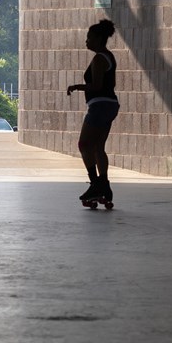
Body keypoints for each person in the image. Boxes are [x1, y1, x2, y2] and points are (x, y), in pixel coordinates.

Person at [66, 19, 119, 208]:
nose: (86, 42)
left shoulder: (98, 59)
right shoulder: (109, 56)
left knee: (84, 144)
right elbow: (109, 84)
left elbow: (96, 85)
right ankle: (104, 185)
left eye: (89, 38)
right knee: (98, 148)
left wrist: (76, 86)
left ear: (98, 39)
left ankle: (95, 184)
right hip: (111, 105)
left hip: (99, 105)